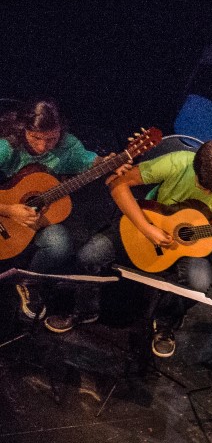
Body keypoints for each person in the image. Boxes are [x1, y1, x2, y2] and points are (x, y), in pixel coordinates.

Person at [106, 139, 212, 357]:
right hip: (149, 227)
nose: (211, 194)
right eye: (205, 188)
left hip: (190, 246)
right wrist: (147, 228)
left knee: (198, 283)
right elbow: (117, 184)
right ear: (195, 170)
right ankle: (83, 310)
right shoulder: (177, 163)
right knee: (92, 254)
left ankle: (166, 323)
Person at [0, 98, 125, 328]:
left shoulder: (68, 146)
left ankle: (28, 282)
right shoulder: (7, 147)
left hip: (35, 222)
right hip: (5, 214)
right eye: (36, 138)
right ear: (24, 129)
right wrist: (9, 209)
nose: (42, 147)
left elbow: (91, 162)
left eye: (51, 139)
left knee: (61, 244)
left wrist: (110, 163)